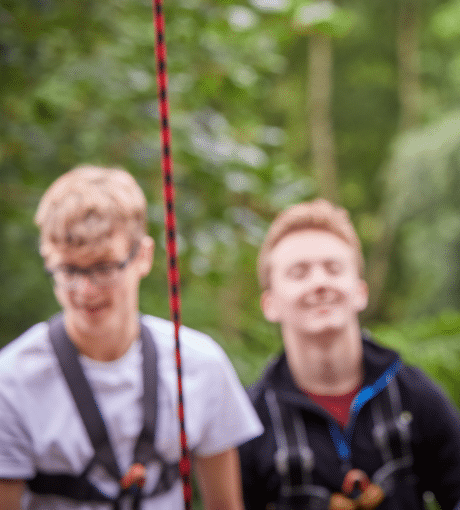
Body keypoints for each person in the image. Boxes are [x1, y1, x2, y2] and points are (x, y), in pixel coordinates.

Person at [0, 164, 263, 510]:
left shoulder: (199, 364)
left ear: (143, 257)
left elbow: (225, 505)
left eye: (104, 267)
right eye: (68, 270)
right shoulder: (13, 379)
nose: (85, 288)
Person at [238, 198, 460, 510]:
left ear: (360, 291)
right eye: (299, 272)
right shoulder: (249, 422)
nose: (320, 282)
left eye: (333, 268)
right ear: (269, 304)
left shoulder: (416, 397)